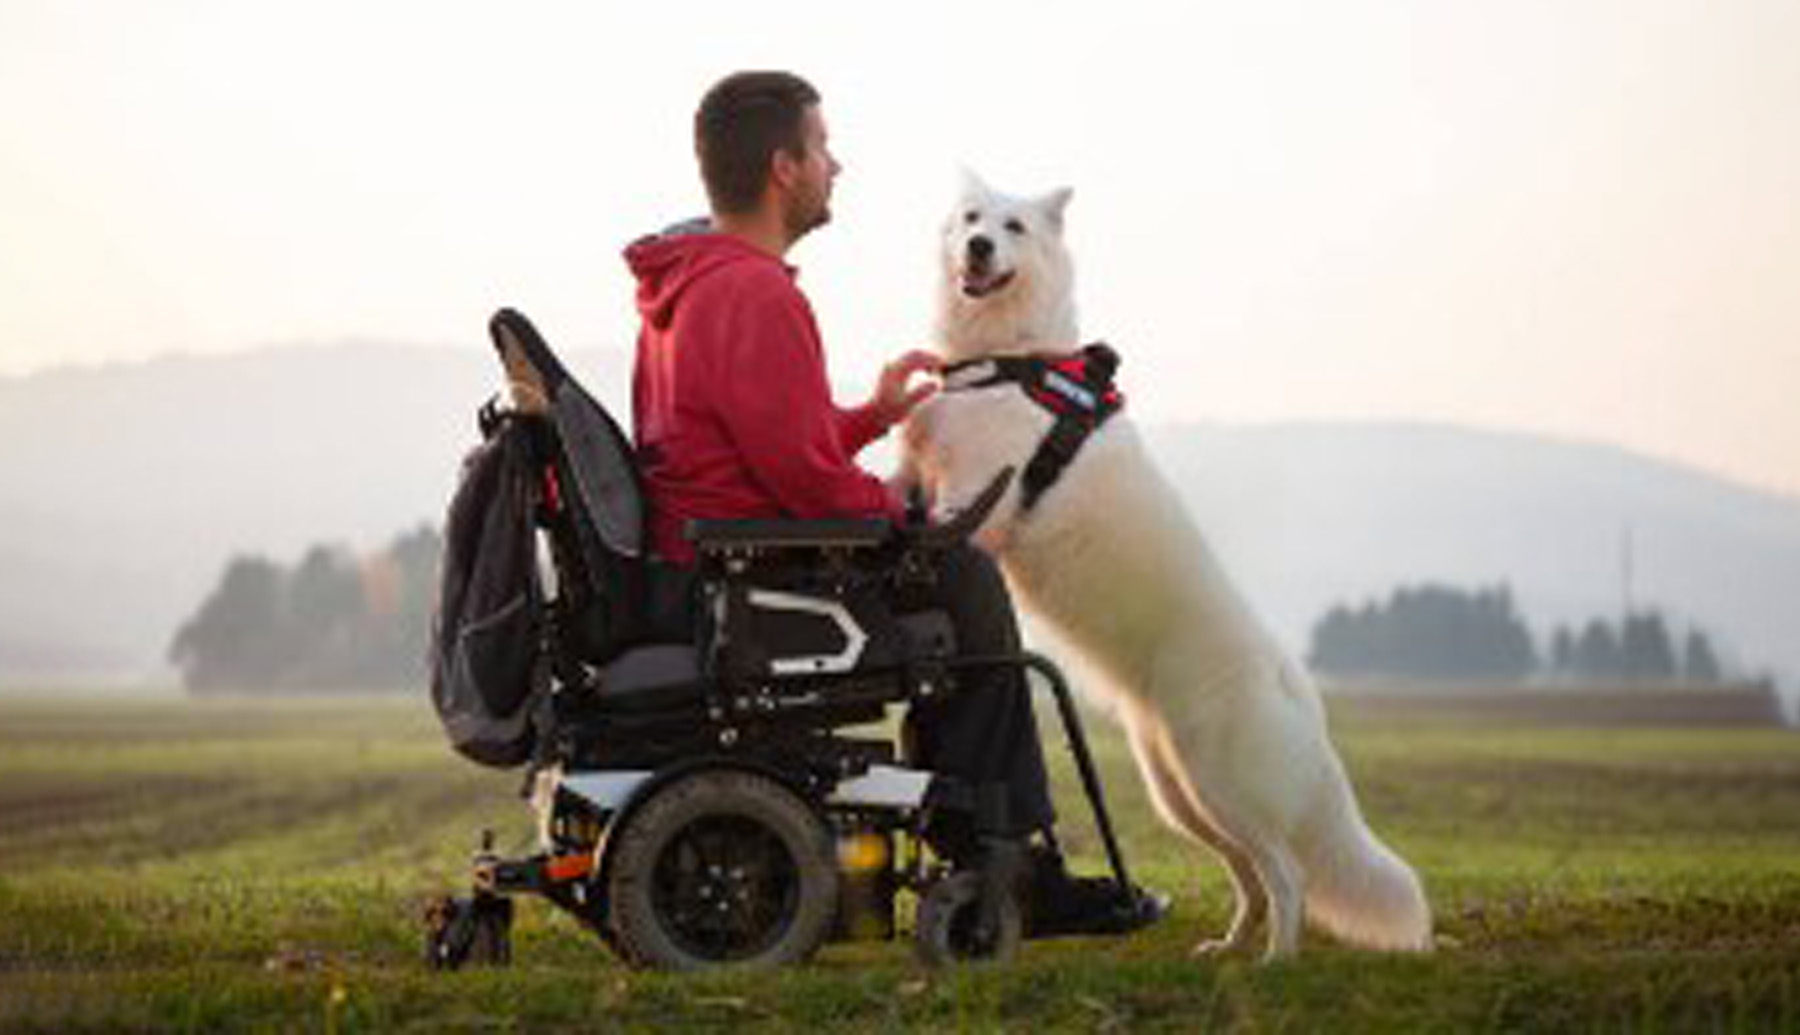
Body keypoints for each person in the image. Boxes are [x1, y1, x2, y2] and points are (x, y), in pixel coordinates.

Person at [622, 70, 1164, 937]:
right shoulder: (756, 293)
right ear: (783, 168)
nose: (838, 165)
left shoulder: (691, 286)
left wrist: (872, 418)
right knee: (966, 584)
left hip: (715, 558)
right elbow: (798, 483)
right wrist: (904, 521)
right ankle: (1011, 860)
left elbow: (757, 453)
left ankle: (988, 844)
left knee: (950, 568)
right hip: (739, 582)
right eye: (824, 146)